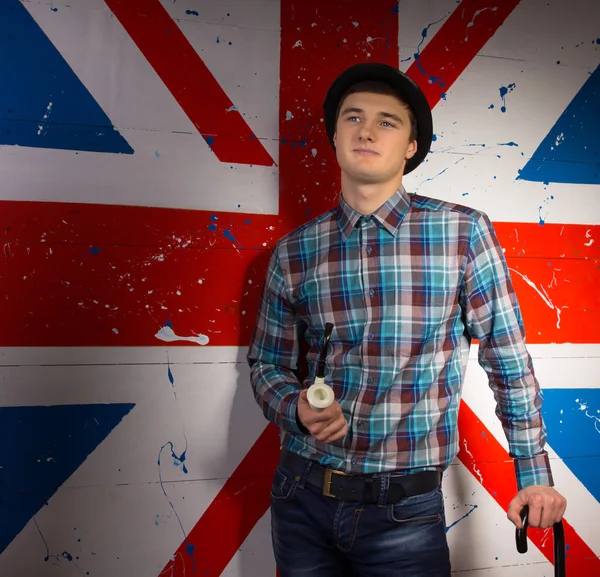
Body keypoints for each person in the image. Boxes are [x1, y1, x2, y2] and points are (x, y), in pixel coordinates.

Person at [247, 62, 567, 576]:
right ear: (334, 136)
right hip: (300, 497)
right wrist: (296, 407)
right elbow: (266, 363)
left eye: (387, 122)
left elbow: (507, 359)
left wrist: (532, 473)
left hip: (403, 512)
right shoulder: (294, 252)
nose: (366, 130)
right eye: (352, 118)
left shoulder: (463, 234)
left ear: (412, 147)